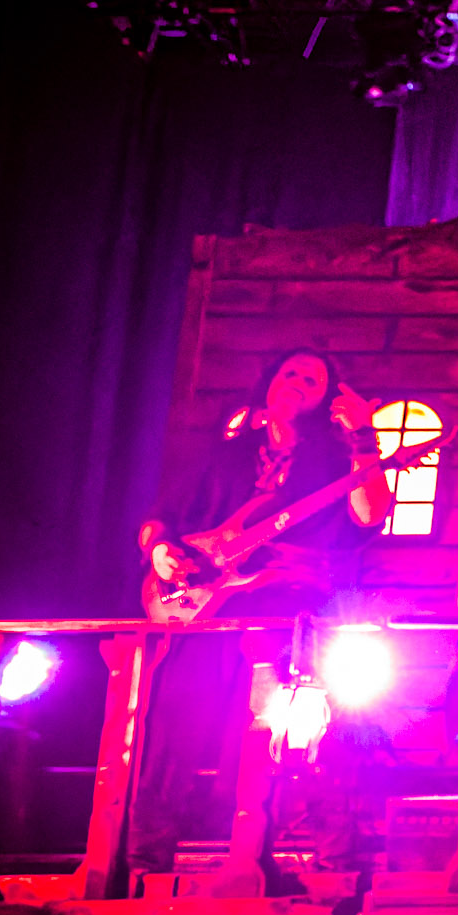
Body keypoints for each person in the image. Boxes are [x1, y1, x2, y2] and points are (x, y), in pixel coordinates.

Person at [127, 349, 390, 871]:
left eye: (312, 379)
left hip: (290, 607)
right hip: (207, 605)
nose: (298, 381)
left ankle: (316, 853)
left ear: (327, 400)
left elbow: (369, 514)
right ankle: (146, 849)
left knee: (295, 725)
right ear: (268, 382)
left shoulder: (336, 461)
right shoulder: (225, 454)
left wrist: (364, 439)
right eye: (290, 372)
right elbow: (160, 518)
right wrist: (159, 551)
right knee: (177, 714)